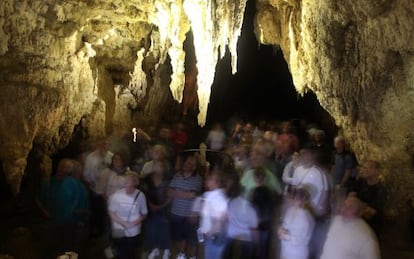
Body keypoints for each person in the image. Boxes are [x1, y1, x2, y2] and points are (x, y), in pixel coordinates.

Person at [168, 155, 203, 259]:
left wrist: (176, 192)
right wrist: (186, 194)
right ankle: (182, 254)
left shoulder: (198, 179)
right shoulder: (176, 176)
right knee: (179, 237)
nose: (188, 164)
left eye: (191, 163)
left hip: (190, 215)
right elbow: (169, 192)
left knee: (192, 239)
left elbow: (193, 195)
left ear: (195, 167)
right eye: (187, 162)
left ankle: (193, 256)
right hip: (176, 213)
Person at [108, 171, 148, 259]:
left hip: (133, 230)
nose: (128, 186)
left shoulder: (140, 195)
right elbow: (111, 212)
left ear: (135, 183)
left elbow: (144, 214)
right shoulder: (117, 194)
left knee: (130, 252)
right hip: (118, 228)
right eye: (126, 182)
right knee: (119, 252)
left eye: (130, 182)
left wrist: (134, 223)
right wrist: (123, 223)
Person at [348, 160, 386, 237]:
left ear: (376, 171)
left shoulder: (380, 190)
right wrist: (363, 206)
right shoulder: (360, 182)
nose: (362, 170)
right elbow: (349, 199)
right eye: (363, 168)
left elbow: (371, 213)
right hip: (357, 224)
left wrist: (357, 204)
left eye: (366, 168)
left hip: (371, 228)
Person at [144, 161, 172, 259]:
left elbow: (170, 197)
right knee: (152, 230)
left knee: (164, 230)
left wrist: (161, 206)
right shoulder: (148, 179)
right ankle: (155, 248)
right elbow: (145, 193)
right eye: (156, 166)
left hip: (164, 209)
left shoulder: (168, 180)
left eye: (160, 166)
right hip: (151, 209)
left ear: (164, 168)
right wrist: (150, 204)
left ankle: (166, 250)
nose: (158, 168)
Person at [199, 169, 229, 259]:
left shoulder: (218, 198)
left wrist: (210, 233)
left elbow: (221, 219)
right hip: (211, 236)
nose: (207, 180)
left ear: (217, 183)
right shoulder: (209, 195)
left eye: (210, 179)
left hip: (215, 237)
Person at [278, 188, 315, 259]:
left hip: (296, 253)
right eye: (293, 198)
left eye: (296, 198)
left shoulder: (307, 218)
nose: (292, 200)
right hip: (285, 249)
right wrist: (281, 229)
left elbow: (301, 240)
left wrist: (285, 236)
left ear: (303, 200)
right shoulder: (290, 210)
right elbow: (285, 224)